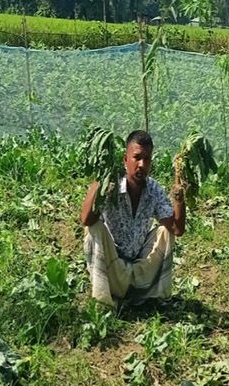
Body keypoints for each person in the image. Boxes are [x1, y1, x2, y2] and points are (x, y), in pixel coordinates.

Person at [79, 130, 186, 307]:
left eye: (147, 159)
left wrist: (179, 192)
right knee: (94, 228)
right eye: (137, 158)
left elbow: (177, 229)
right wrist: (101, 179)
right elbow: (86, 219)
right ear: (125, 159)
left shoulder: (153, 189)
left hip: (140, 269)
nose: (142, 164)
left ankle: (154, 296)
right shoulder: (111, 185)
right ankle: (104, 300)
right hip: (113, 267)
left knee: (165, 232)